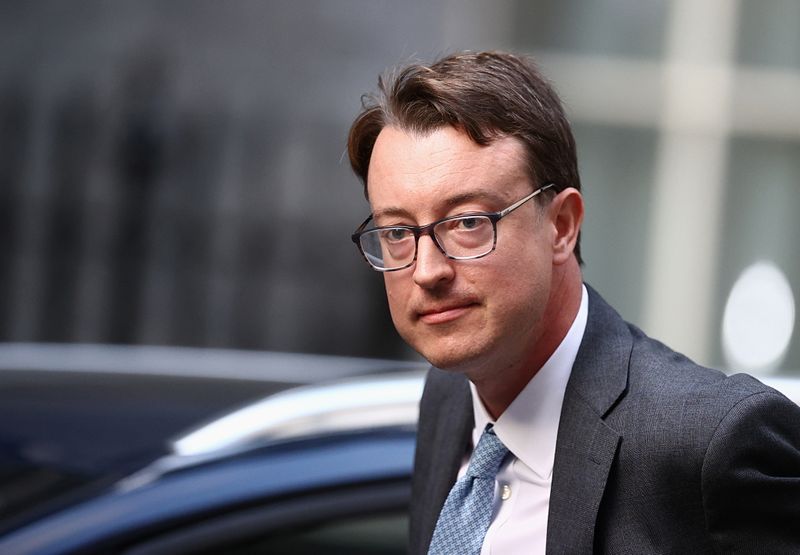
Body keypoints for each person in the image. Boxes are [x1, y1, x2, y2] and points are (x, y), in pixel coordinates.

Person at [347, 51, 800, 554]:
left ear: (561, 226)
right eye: (397, 232)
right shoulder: (450, 396)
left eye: (469, 223)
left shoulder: (712, 443)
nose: (427, 271)